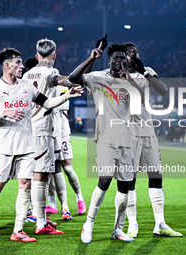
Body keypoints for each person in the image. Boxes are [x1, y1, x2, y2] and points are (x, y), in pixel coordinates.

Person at [0, 47, 83, 241]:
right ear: (7, 65)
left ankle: (18, 230)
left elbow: (48, 103)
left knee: (25, 185)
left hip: (27, 145)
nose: (21, 66)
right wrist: (4, 113)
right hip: (5, 145)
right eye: (17, 62)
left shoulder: (27, 85)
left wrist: (68, 94)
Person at [69, 43, 144, 243]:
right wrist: (92, 57)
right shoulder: (99, 77)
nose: (119, 61)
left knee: (125, 186)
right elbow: (73, 78)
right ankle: (89, 224)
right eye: (115, 58)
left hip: (127, 140)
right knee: (104, 181)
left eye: (122, 58)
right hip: (106, 139)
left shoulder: (132, 80)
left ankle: (118, 229)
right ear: (109, 60)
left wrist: (131, 83)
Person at [123, 42, 182, 238]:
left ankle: (160, 224)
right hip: (126, 132)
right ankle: (133, 224)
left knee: (156, 175)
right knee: (129, 179)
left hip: (147, 130)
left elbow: (163, 90)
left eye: (135, 52)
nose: (133, 54)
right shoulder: (115, 74)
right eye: (129, 52)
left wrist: (145, 73)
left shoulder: (147, 71)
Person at [23, 38, 77, 225]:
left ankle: (34, 216)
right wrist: (71, 84)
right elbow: (58, 80)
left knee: (33, 174)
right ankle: (40, 222)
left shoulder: (27, 75)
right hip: (44, 129)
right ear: (54, 56)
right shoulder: (50, 72)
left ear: (37, 56)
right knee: (42, 176)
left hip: (28, 128)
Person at [46, 86, 86, 215]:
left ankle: (79, 197)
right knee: (50, 169)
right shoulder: (40, 86)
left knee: (67, 168)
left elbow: (62, 105)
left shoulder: (61, 88)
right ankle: (52, 203)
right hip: (48, 133)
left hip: (62, 133)